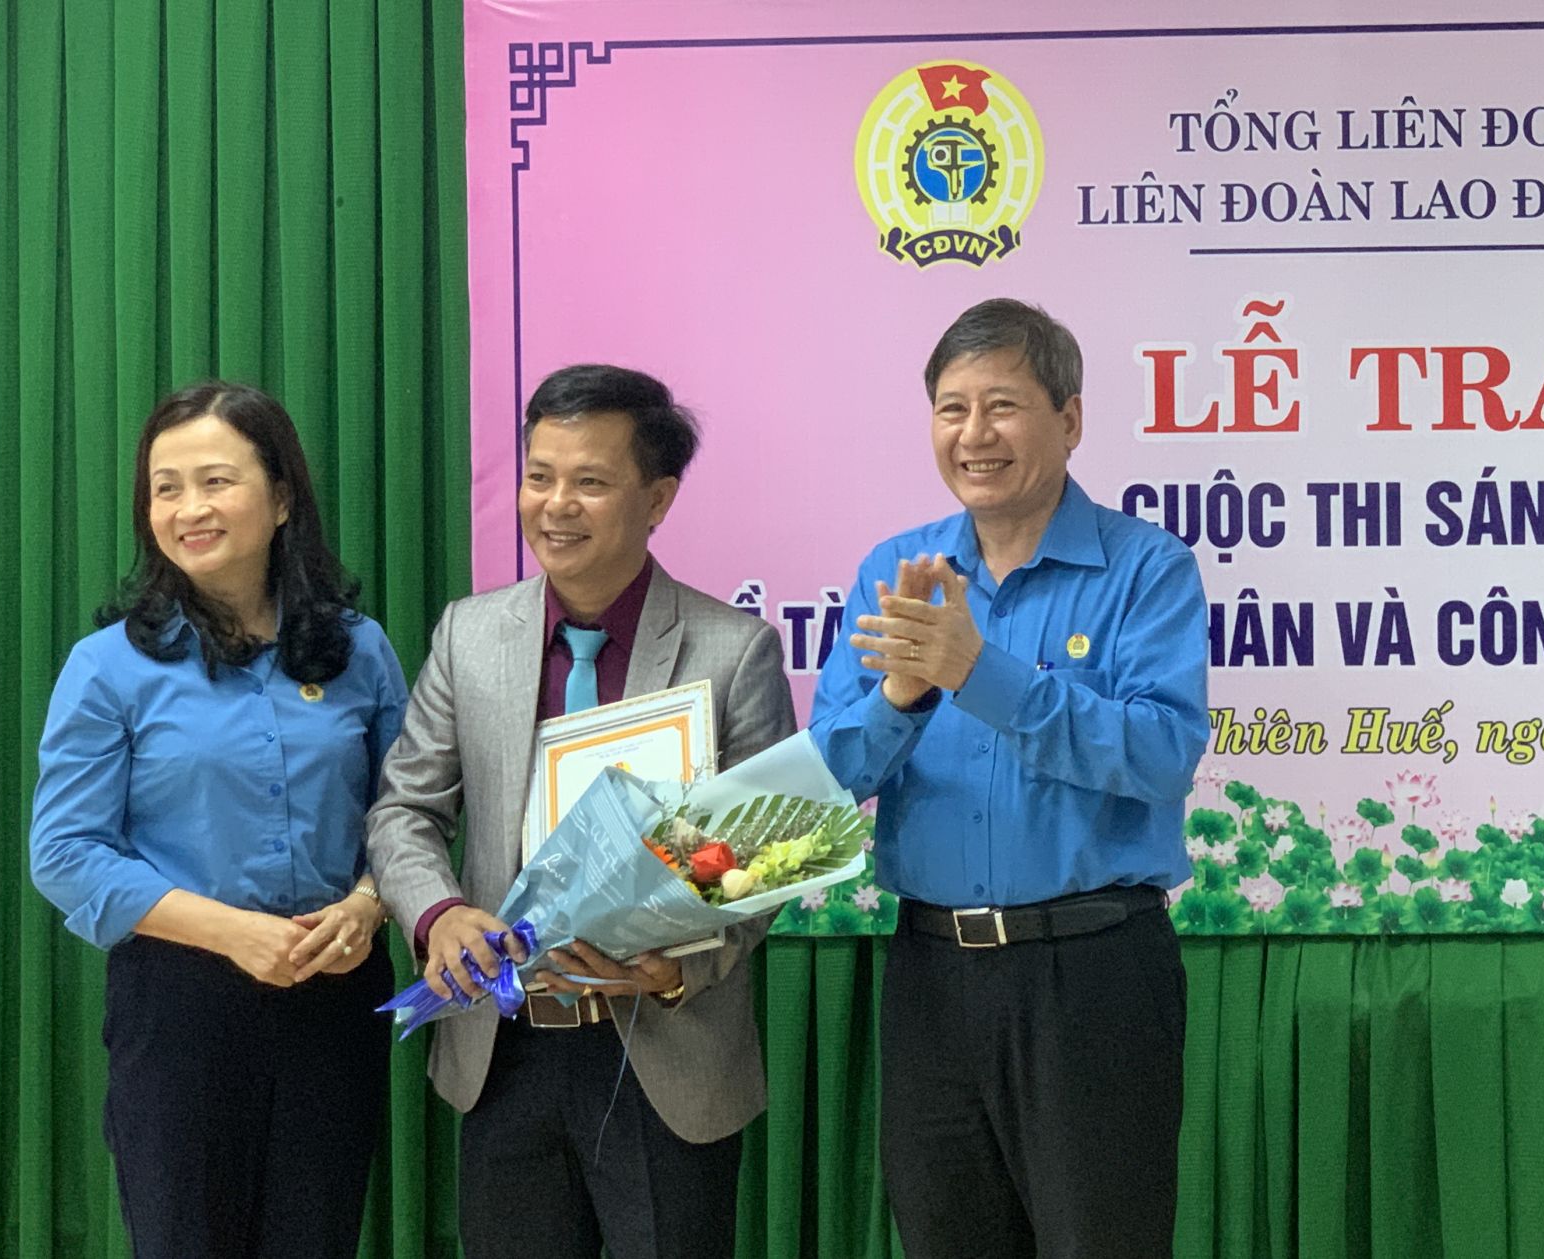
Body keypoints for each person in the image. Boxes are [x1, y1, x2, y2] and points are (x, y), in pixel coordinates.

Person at [366, 363, 795, 1259]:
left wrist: (675, 970)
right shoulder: (469, 634)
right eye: (539, 476)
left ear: (658, 498)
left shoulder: (734, 651)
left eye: (591, 481)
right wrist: (438, 915)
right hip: (505, 1050)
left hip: (664, 1050)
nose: (556, 505)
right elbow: (404, 807)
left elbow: (763, 864)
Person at [809, 299, 1210, 1258]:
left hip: (1093, 972)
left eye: (1002, 405)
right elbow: (826, 777)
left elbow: (1163, 753)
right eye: (951, 409)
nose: (974, 434)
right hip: (932, 974)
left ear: (1069, 420)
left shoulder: (1147, 569)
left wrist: (978, 672)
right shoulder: (895, 572)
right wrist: (901, 696)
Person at [29, 383, 407, 1259]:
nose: (188, 508)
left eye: (215, 481)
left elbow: (407, 812)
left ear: (282, 498)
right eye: (165, 488)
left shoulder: (360, 649)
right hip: (179, 1003)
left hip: (334, 993)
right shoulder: (109, 666)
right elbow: (65, 850)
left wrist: (368, 903)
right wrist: (233, 933)